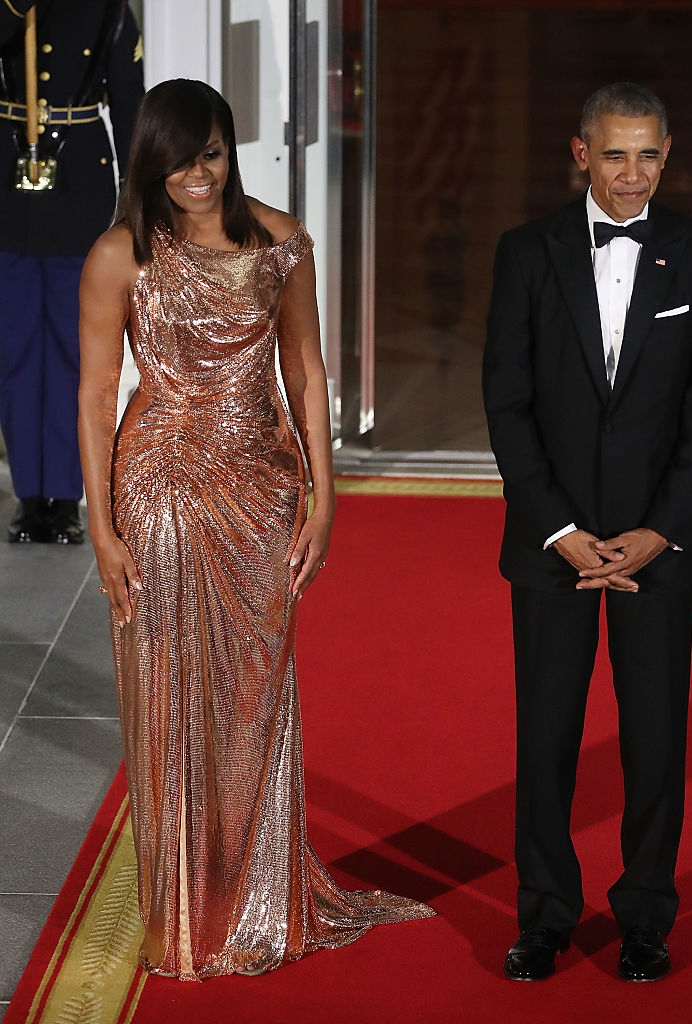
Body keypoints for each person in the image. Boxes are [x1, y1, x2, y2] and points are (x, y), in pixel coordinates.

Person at [78, 79, 433, 980]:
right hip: (155, 487)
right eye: (178, 158)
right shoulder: (120, 254)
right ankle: (182, 911)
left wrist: (324, 492)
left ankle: (258, 898)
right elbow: (91, 399)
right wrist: (101, 526)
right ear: (149, 162)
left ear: (231, 152)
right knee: (164, 698)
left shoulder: (279, 241)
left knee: (254, 701)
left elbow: (307, 370)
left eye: (210, 154)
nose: (196, 175)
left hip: (260, 491)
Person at [483, 82, 692, 983]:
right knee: (545, 740)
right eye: (615, 155)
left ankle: (644, 916)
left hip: (655, 551)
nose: (633, 176)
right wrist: (557, 529)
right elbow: (506, 406)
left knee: (654, 742)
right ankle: (545, 915)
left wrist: (657, 533)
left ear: (667, 154)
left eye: (649, 156)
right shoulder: (525, 254)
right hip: (550, 547)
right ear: (580, 152)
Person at [0, 0, 143, 543]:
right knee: (14, 351)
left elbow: (129, 102)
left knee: (70, 351)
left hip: (77, 180)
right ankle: (29, 495)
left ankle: (64, 497)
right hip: (10, 188)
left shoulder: (108, 8)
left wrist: (139, 196)